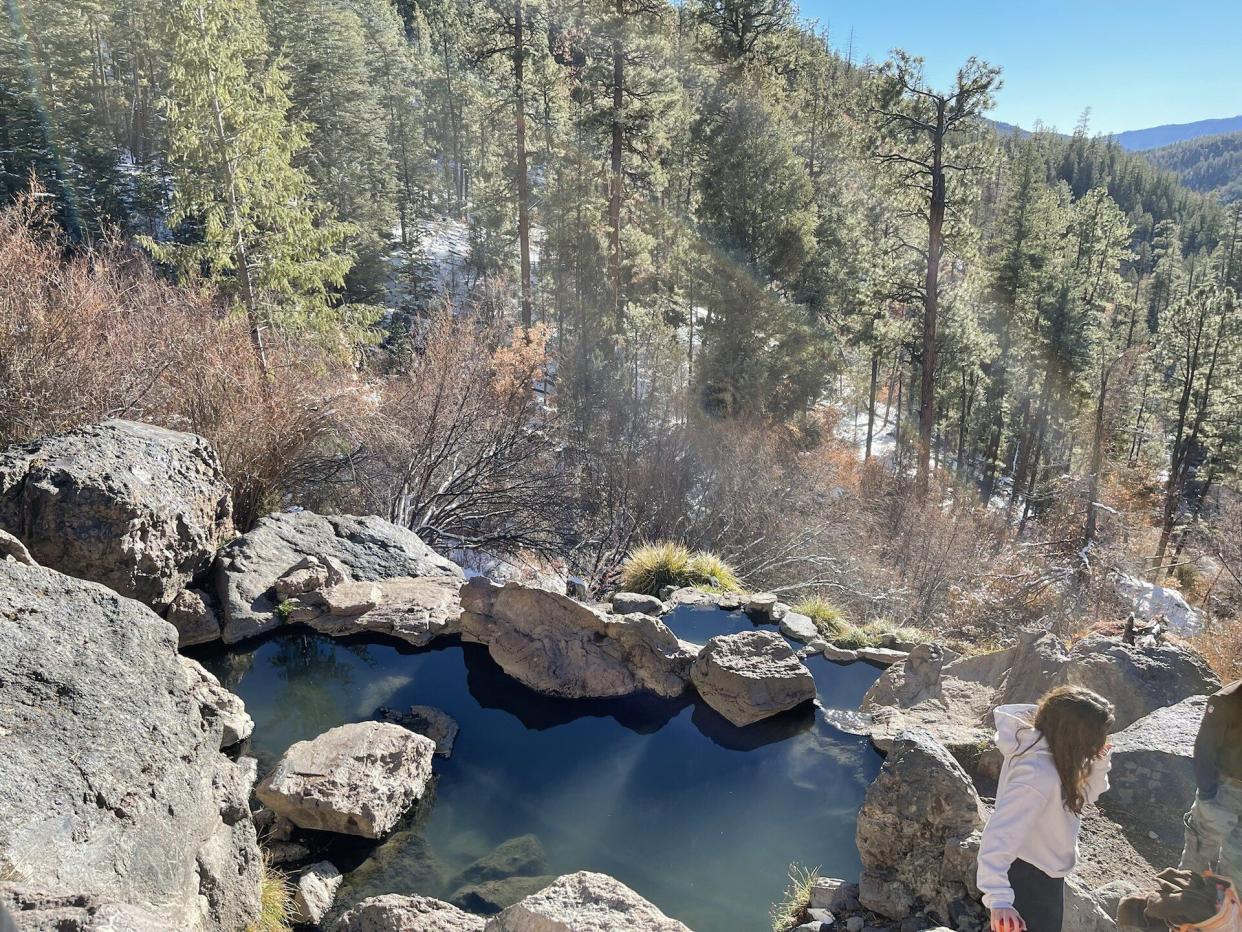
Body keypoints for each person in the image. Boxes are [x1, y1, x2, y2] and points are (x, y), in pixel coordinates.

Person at [977, 685, 1115, 932]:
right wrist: (999, 899)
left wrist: (1100, 762)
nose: (1101, 741)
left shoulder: (1056, 752)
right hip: (1027, 878)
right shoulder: (1037, 774)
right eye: (1096, 735)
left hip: (1045, 872)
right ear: (1074, 735)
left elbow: (1086, 795)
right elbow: (999, 834)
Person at [1181, 678, 1242, 881]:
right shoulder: (1227, 700)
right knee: (1194, 864)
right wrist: (1208, 796)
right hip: (1225, 791)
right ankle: (1174, 909)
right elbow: (1204, 750)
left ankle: (1223, 910)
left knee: (1234, 875)